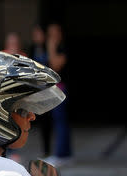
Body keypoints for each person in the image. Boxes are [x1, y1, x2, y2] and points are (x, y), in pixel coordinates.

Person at [44, 22, 72, 166]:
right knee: (59, 121)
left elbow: (55, 65)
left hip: (61, 88)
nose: (52, 37)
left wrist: (51, 47)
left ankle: (62, 154)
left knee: (61, 121)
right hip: (54, 87)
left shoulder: (61, 47)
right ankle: (64, 153)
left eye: (55, 33)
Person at [28, 24, 52, 157]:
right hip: (37, 89)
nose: (36, 37)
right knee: (42, 120)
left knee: (50, 121)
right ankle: (45, 150)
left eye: (38, 34)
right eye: (34, 35)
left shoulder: (47, 48)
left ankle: (50, 150)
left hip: (48, 88)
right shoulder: (33, 48)